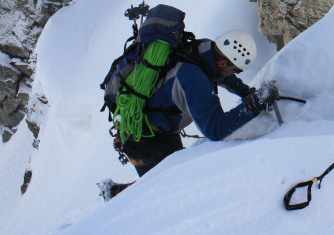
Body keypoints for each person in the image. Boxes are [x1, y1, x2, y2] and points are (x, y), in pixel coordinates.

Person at [99, 34, 277, 200]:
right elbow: (215, 130)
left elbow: (221, 75)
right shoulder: (193, 78)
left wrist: (246, 93)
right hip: (143, 138)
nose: (234, 75)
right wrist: (253, 105)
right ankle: (115, 194)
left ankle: (116, 192)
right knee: (160, 192)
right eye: (235, 70)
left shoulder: (204, 50)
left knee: (175, 177)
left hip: (157, 129)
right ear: (223, 63)